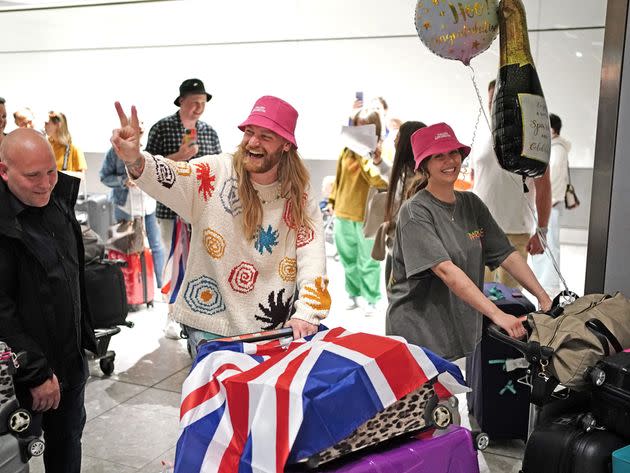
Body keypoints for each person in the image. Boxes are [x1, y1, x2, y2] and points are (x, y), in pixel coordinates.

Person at [111, 96, 330, 356]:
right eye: (249, 132)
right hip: (209, 328)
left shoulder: (297, 191)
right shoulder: (215, 172)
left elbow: (311, 249)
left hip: (271, 329)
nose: (253, 142)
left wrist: (307, 312)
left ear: (286, 145)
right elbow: (171, 176)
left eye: (266, 136)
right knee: (216, 398)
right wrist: (136, 159)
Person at [386, 123, 552, 361]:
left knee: (451, 393)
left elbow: (506, 254)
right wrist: (497, 314)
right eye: (438, 156)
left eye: (453, 152)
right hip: (418, 331)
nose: (449, 161)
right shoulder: (415, 212)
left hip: (454, 322)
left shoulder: (471, 204)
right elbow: (446, 270)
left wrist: (543, 296)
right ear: (424, 165)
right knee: (429, 396)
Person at [0, 128, 97, 473]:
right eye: (32, 176)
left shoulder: (57, 201)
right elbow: (2, 313)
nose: (45, 183)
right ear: (4, 171)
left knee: (68, 444)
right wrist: (36, 371)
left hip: (70, 363)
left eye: (51, 171)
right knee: (13, 457)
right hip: (21, 375)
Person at [145, 78, 222, 338]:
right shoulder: (162, 128)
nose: (199, 108)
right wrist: (178, 158)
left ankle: (201, 317)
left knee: (204, 264)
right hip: (171, 211)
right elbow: (147, 168)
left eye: (203, 103)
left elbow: (221, 169)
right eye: (194, 103)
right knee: (173, 264)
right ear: (181, 102)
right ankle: (172, 316)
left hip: (205, 212)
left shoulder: (210, 132)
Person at [471, 80, 552, 289]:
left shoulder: (530, 138)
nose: (493, 106)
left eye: (498, 100)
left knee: (511, 298)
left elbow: (544, 187)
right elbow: (476, 179)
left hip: (515, 231)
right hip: (480, 230)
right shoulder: (480, 133)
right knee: (478, 294)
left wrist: (542, 231)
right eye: (490, 101)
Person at [328, 108, 389, 315]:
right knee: (348, 259)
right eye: (357, 125)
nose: (359, 130)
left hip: (368, 216)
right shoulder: (346, 150)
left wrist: (366, 157)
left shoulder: (379, 154)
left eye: (364, 126)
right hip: (343, 213)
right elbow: (339, 178)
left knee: (369, 260)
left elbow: (379, 180)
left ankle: (371, 299)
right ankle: (353, 295)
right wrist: (332, 201)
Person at [99, 123, 165, 289]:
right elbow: (103, 176)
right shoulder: (114, 153)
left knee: (156, 246)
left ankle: (159, 286)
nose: (140, 129)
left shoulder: (149, 150)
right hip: (124, 208)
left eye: (141, 127)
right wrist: (123, 181)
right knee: (125, 248)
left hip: (148, 206)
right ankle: (127, 288)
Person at [372, 120, 426, 284]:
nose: (395, 140)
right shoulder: (405, 172)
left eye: (398, 136)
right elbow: (391, 175)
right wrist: (378, 161)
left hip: (406, 254)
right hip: (395, 249)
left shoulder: (418, 179)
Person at [531, 113, 570, 296]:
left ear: (552, 129)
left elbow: (550, 180)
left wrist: (546, 201)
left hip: (552, 204)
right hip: (550, 203)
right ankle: (545, 281)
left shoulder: (557, 149)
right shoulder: (556, 148)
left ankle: (549, 284)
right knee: (548, 242)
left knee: (549, 244)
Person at [44, 110, 87, 176]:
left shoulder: (74, 148)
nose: (44, 126)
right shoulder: (47, 146)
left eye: (47, 123)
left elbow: (81, 176)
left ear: (58, 125)